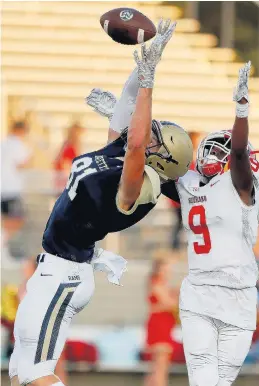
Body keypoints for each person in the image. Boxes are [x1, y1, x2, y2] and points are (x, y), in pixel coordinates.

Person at [9, 20, 193, 386]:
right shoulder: (123, 154)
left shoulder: (136, 188)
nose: (147, 133)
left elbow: (139, 141)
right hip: (56, 269)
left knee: (35, 375)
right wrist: (141, 65)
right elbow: (130, 118)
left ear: (162, 161)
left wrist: (149, 82)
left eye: (157, 141)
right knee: (20, 373)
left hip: (64, 273)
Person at [162, 62, 259, 386]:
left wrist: (241, 112)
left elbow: (237, 154)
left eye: (223, 150)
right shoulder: (189, 182)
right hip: (200, 291)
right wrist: (123, 120)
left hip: (239, 296)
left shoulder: (240, 184)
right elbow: (148, 158)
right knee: (204, 380)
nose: (213, 155)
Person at [143, 259, 179, 386]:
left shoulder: (163, 284)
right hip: (160, 327)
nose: (169, 272)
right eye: (166, 269)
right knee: (160, 368)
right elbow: (168, 303)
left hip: (165, 326)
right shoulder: (156, 283)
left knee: (156, 368)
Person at [1, 121, 31, 260]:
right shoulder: (18, 145)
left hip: (3, 188)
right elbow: (23, 164)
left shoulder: (3, 143)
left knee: (6, 220)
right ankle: (4, 249)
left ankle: (4, 249)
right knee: (15, 220)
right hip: (11, 189)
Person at [53, 123, 85, 195]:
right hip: (64, 175)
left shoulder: (70, 144)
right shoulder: (69, 144)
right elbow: (64, 162)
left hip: (65, 174)